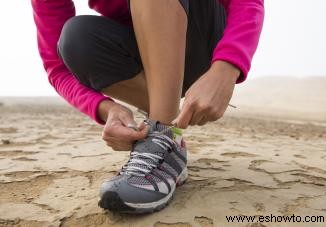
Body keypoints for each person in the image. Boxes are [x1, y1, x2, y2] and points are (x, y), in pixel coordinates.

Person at [31, 0, 264, 214]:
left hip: (206, 41)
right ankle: (167, 136)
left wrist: (227, 66)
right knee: (77, 39)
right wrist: (106, 108)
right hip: (149, 54)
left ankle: (162, 135)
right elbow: (57, 68)